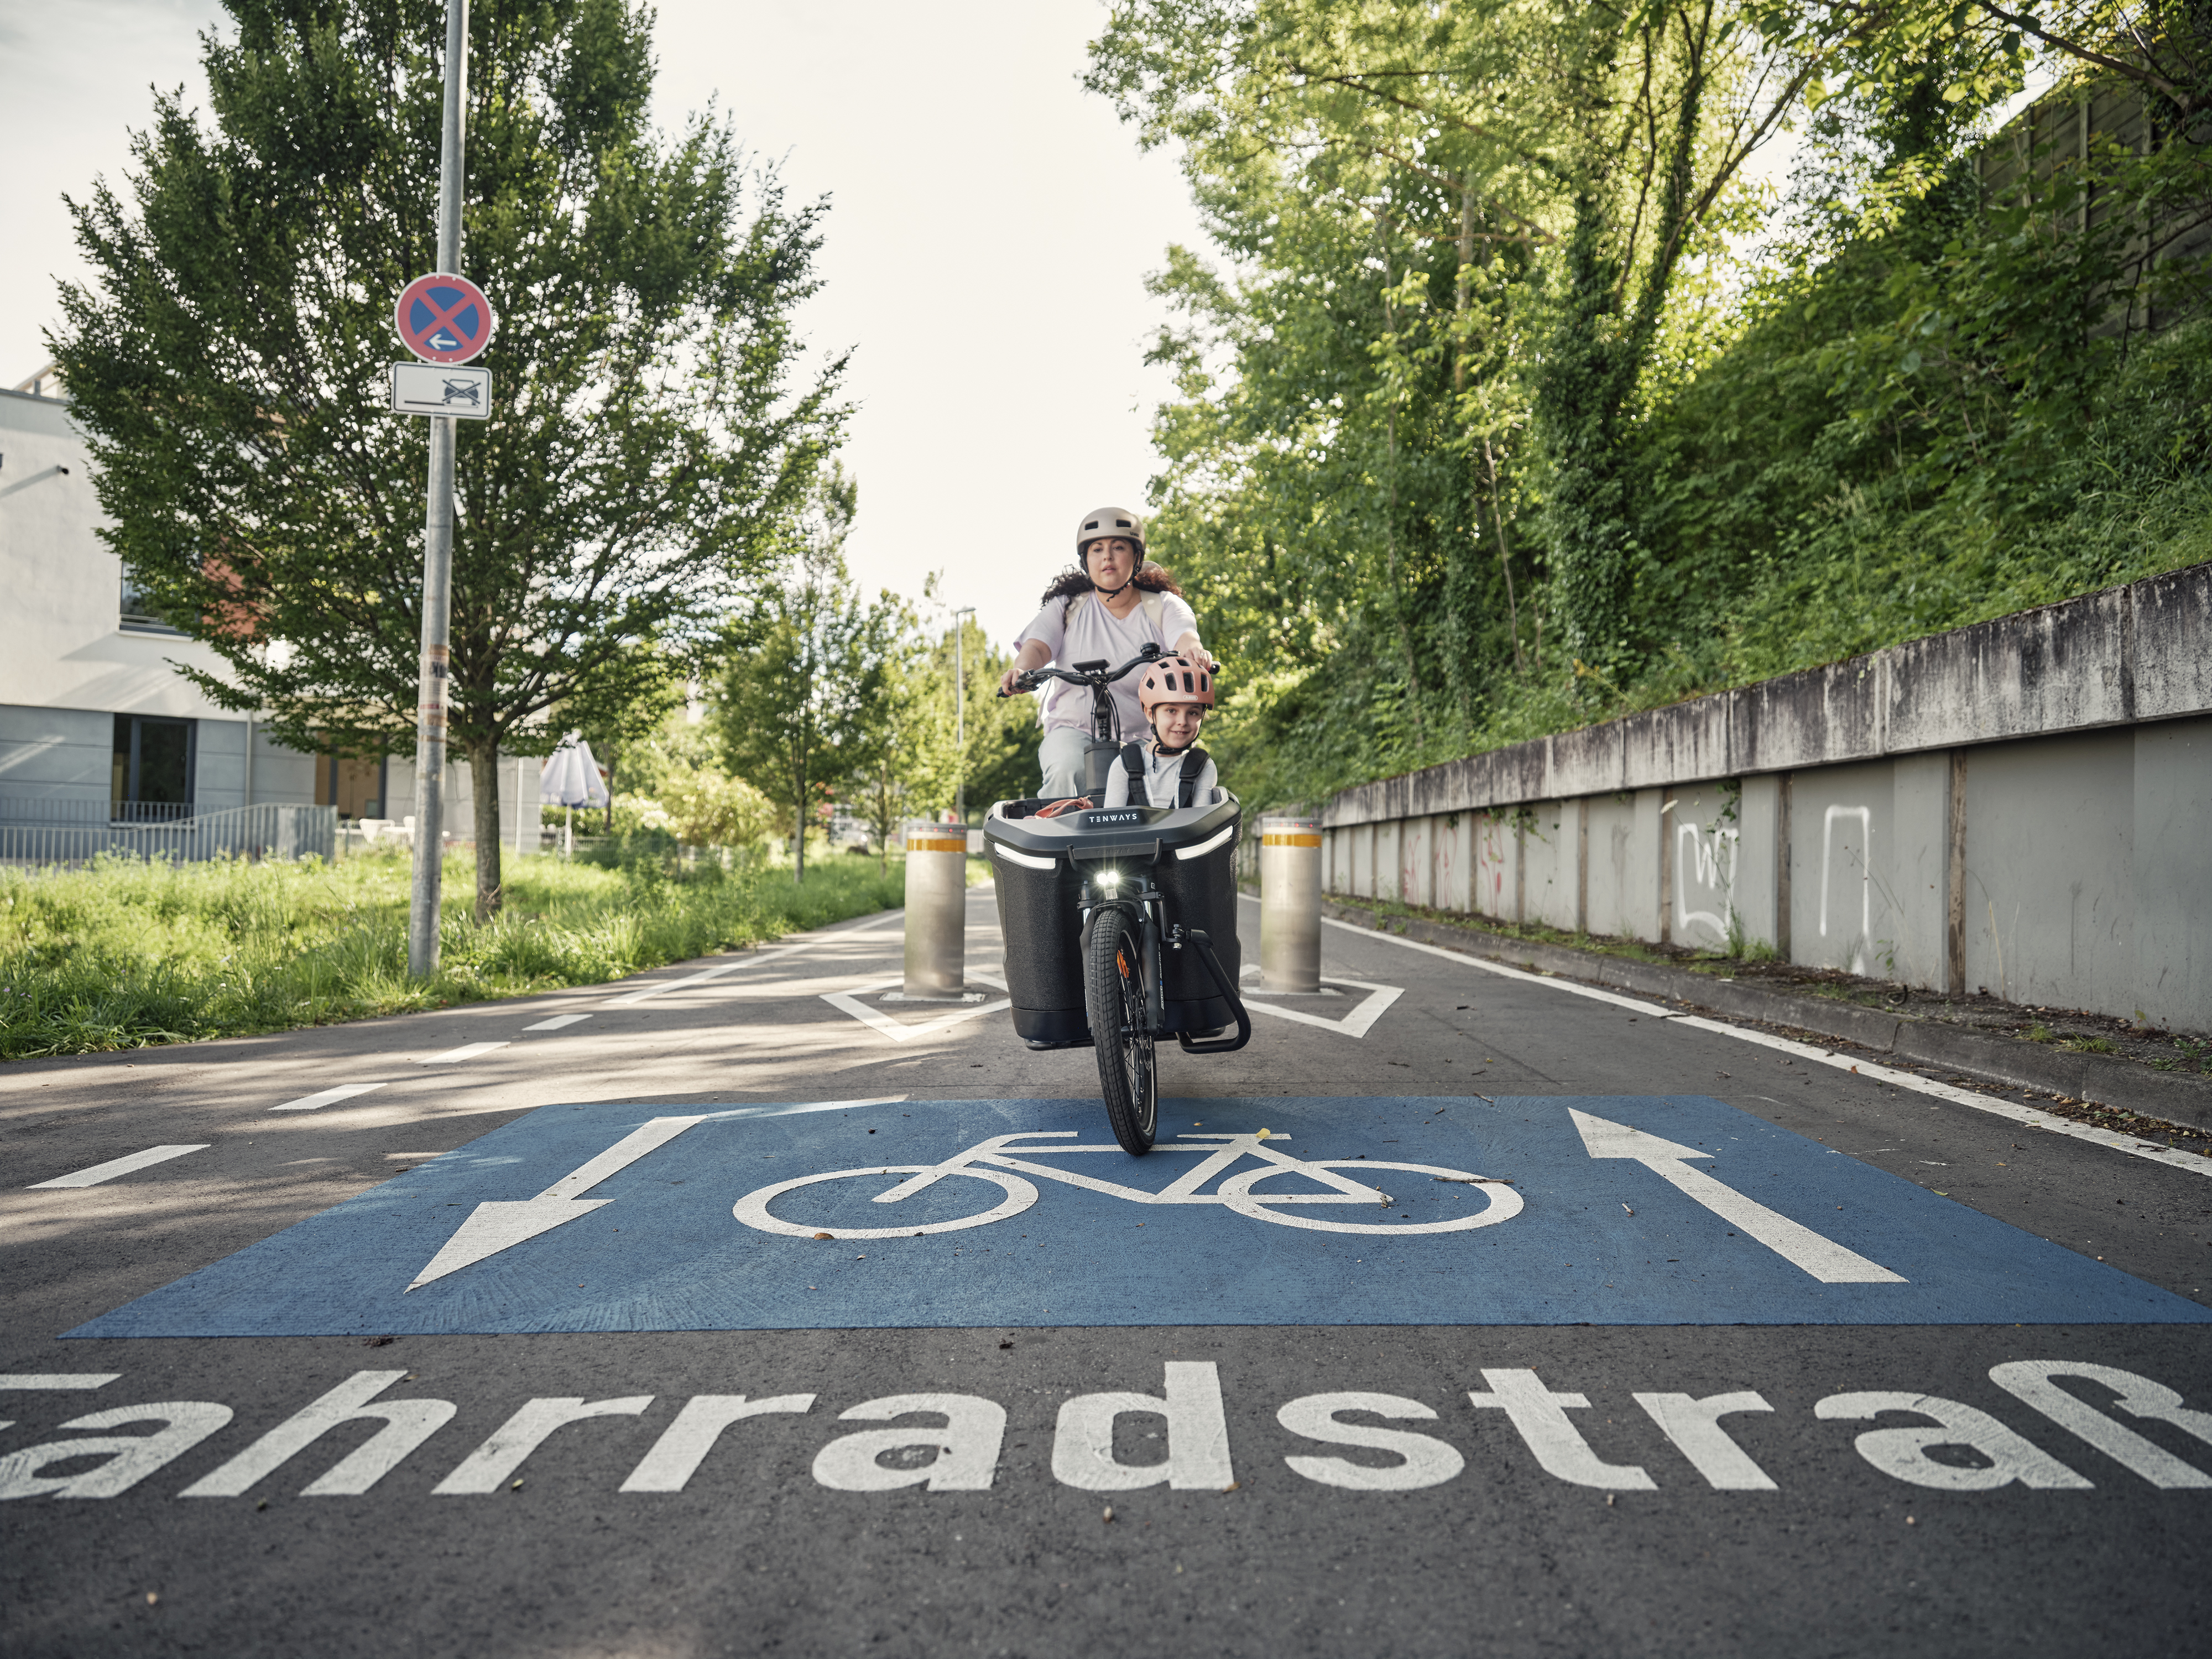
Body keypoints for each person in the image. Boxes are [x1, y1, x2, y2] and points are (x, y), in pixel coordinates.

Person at [999, 506, 1214, 797]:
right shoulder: (1067, 607)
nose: (1108, 557)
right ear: (1086, 560)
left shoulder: (1162, 605)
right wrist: (1023, 670)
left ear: (1137, 557)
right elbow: (1037, 646)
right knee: (1066, 768)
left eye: (1118, 547)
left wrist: (1194, 653)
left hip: (1144, 736)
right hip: (1073, 730)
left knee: (1155, 787)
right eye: (1097, 549)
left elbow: (1185, 636)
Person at [1101, 653, 1218, 809]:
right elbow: (1112, 827)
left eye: (1193, 713)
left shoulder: (1203, 767)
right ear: (1151, 714)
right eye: (1171, 710)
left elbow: (1203, 823)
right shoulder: (1124, 765)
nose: (1182, 722)